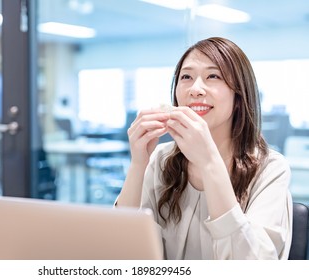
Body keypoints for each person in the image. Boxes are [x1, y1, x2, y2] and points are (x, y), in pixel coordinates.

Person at [115, 37, 292, 260]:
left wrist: (210, 163)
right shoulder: (161, 158)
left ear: (239, 96)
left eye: (213, 76)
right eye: (186, 77)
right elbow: (123, 253)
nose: (195, 89)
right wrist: (138, 163)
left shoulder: (270, 168)